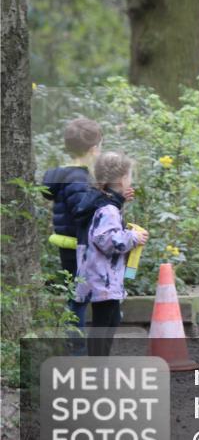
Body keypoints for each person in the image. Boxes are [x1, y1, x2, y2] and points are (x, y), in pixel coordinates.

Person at [72, 152, 149, 356]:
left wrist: (119, 201)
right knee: (103, 326)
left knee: (111, 320)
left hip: (98, 274)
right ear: (123, 179)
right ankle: (96, 368)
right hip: (102, 277)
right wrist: (133, 237)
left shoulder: (99, 201)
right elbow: (107, 239)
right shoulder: (108, 209)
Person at [42, 117, 103, 336]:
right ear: (94, 149)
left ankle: (75, 346)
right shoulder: (79, 178)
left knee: (78, 295)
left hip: (68, 246)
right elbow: (82, 213)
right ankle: (74, 349)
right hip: (80, 248)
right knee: (79, 300)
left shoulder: (65, 175)